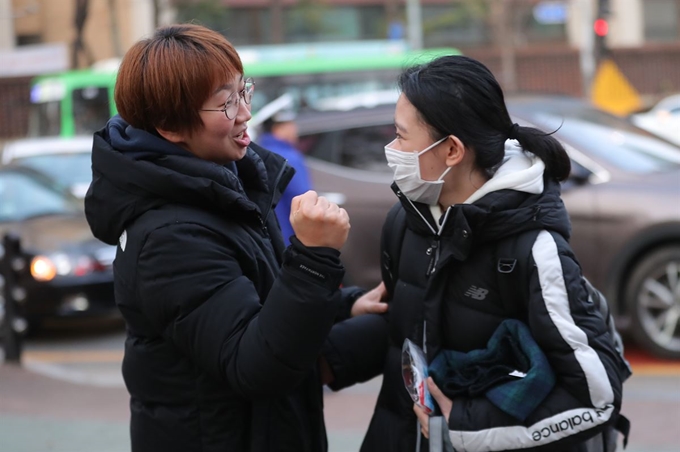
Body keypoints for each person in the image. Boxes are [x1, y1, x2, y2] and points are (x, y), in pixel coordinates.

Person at [83, 23, 369, 452]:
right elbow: (254, 364)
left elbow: (260, 306)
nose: (245, 113)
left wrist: (348, 307)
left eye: (243, 91)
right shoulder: (169, 236)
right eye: (225, 103)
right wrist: (313, 258)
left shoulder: (228, 185)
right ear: (169, 126)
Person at [351, 55, 625, 451]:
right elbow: (404, 336)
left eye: (401, 135)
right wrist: (324, 345)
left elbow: (598, 398)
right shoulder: (404, 221)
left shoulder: (534, 249)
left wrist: (465, 427)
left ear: (452, 151)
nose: (391, 149)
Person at [258, 109, 312, 245]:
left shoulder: (259, 154)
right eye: (290, 125)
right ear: (278, 129)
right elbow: (304, 200)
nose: (295, 129)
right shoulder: (290, 158)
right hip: (289, 237)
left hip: (267, 237)